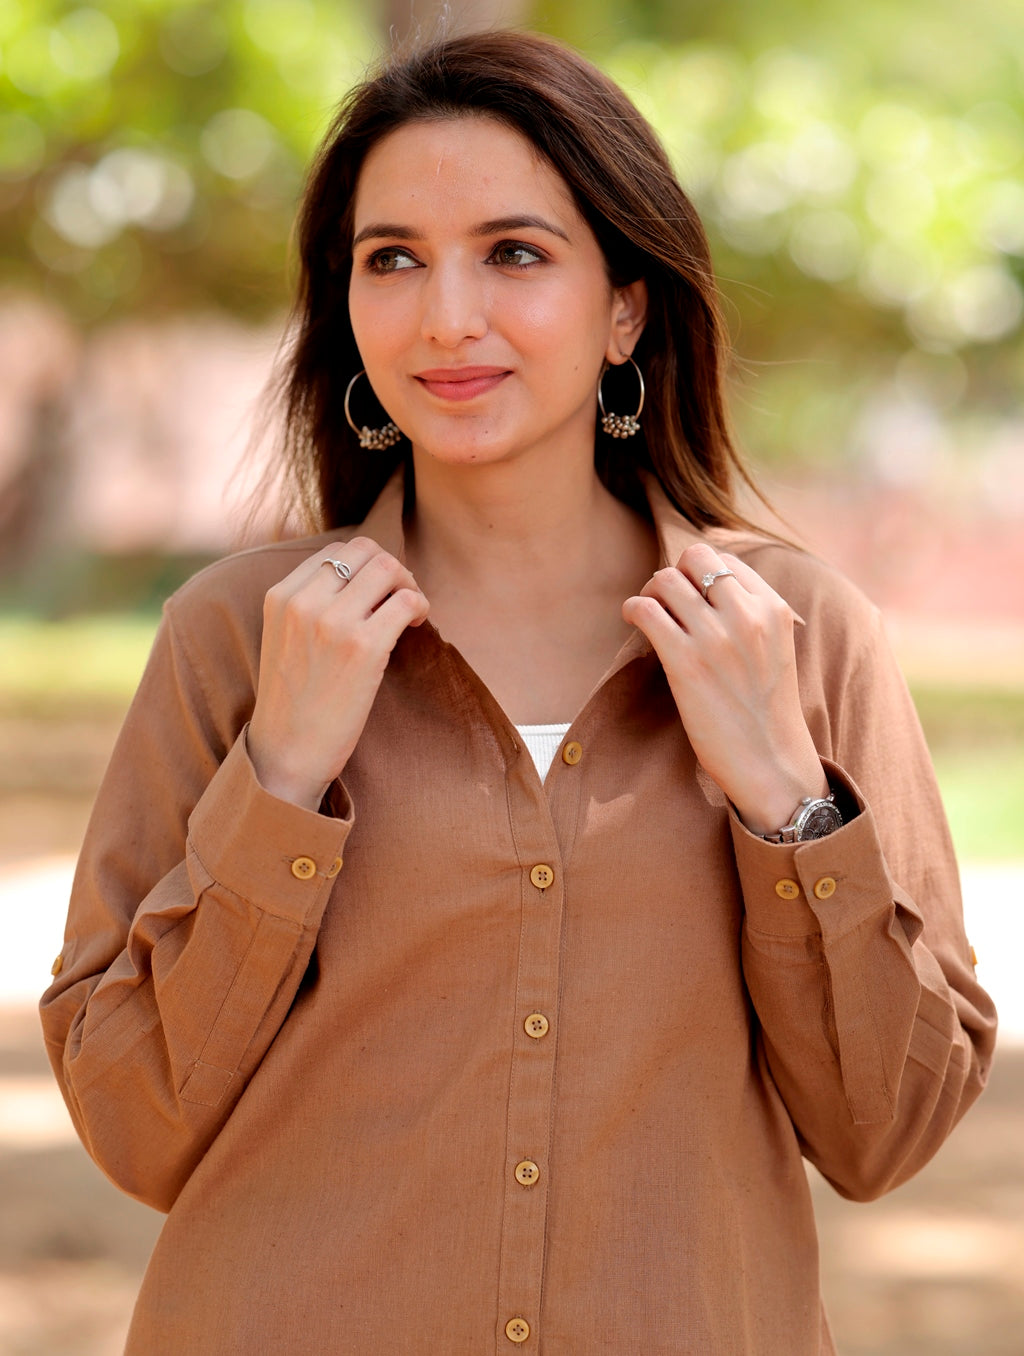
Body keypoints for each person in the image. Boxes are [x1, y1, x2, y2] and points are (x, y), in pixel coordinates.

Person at [40, 30, 995, 1355]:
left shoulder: (799, 637)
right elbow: (133, 1123)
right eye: (394, 261)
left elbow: (886, 1131)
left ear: (626, 306)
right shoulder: (233, 639)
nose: (447, 317)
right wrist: (279, 783)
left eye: (515, 253)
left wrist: (787, 803)